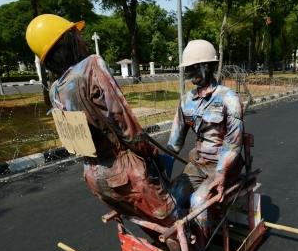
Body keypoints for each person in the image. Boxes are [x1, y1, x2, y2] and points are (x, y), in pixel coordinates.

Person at [26, 14, 181, 234]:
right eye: (78, 36)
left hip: (95, 176)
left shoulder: (55, 89)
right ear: (67, 40)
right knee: (174, 224)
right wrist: (150, 152)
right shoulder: (91, 66)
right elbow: (123, 121)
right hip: (124, 172)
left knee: (145, 220)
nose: (85, 42)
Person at [167, 40, 244, 251]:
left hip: (224, 165)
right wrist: (156, 165)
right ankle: (182, 244)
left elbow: (234, 143)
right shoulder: (185, 101)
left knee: (199, 200)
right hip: (198, 164)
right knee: (170, 199)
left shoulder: (229, 98)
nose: (191, 73)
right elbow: (174, 144)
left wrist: (220, 174)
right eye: (188, 69)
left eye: (195, 67)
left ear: (209, 66)